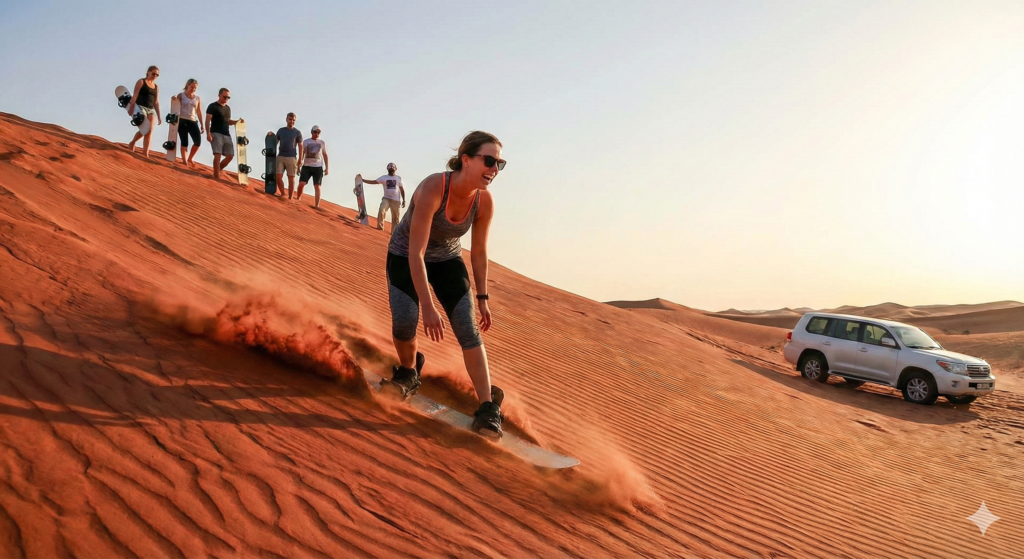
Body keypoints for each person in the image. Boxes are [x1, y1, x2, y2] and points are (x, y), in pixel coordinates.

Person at [384, 131, 507, 438]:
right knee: (405, 321)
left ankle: (488, 407)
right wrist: (427, 305)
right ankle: (409, 372)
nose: (494, 168)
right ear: (466, 159)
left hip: (448, 261)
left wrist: (483, 298)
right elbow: (416, 252)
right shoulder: (433, 187)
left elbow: (478, 253)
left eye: (499, 163)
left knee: (467, 327)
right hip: (406, 255)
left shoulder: (484, 201)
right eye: (489, 160)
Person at [127, 66, 162, 157]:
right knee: (144, 129)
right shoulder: (141, 82)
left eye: (157, 75)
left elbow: (156, 102)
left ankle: (145, 153)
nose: (155, 76)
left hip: (151, 109)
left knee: (149, 131)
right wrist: (131, 107)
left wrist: (159, 116)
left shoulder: (156, 87)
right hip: (140, 107)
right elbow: (135, 95)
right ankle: (133, 142)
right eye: (153, 73)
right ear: (148, 72)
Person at [361, 163, 406, 234]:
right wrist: (363, 180)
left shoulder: (398, 178)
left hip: (396, 201)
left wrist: (404, 200)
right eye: (390, 169)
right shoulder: (384, 178)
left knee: (396, 218)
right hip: (386, 199)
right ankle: (380, 228)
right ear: (387, 169)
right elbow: (374, 182)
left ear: (395, 169)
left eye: (392, 169)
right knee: (382, 210)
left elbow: (402, 189)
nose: (391, 170)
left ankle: (394, 234)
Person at [204, 88, 238, 181]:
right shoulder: (213, 106)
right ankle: (216, 176)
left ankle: (217, 171)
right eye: (224, 96)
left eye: (228, 97)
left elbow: (228, 121)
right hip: (215, 132)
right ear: (219, 95)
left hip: (226, 134)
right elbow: (207, 121)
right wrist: (208, 133)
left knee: (230, 156)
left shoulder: (227, 108)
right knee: (217, 154)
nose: (226, 99)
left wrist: (236, 122)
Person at [295, 125, 328, 207]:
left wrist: (327, 168)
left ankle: (317, 205)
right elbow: (302, 154)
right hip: (307, 166)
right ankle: (298, 199)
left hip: (318, 167)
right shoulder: (306, 142)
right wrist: (298, 167)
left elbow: (325, 155)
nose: (317, 134)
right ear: (311, 132)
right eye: (315, 132)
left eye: (318, 132)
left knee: (317, 186)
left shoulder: (322, 143)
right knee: (302, 183)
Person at [173, 79, 204, 167]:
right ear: (187, 85)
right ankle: (184, 160)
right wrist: (174, 99)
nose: (193, 89)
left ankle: (190, 158)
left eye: (195, 88)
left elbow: (199, 111)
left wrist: (202, 124)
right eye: (192, 87)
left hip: (193, 121)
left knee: (197, 142)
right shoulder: (181, 95)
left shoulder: (197, 98)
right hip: (182, 120)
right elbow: (175, 106)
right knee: (184, 141)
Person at [275, 113, 303, 198]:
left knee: (291, 177)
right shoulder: (281, 130)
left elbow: (300, 146)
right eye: (290, 119)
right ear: (286, 119)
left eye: (293, 120)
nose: (292, 121)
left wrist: (300, 159)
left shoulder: (297, 132)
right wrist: (270, 136)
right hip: (281, 156)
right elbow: (275, 142)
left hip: (291, 157)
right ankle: (283, 193)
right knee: (278, 175)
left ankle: (290, 197)